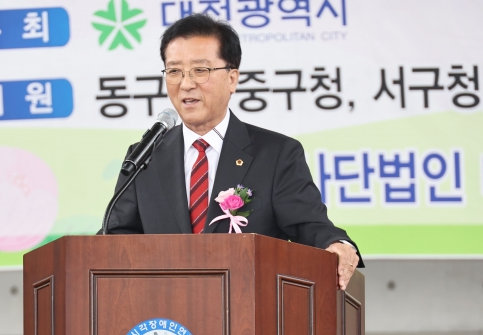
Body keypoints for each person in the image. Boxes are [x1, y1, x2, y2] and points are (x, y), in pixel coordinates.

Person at [105, 14, 363, 289]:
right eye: (174, 71)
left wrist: (338, 245)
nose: (186, 83)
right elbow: (115, 239)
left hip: (247, 305)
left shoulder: (276, 155)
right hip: (163, 307)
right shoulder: (145, 157)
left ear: (232, 79)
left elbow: (310, 227)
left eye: (200, 70)